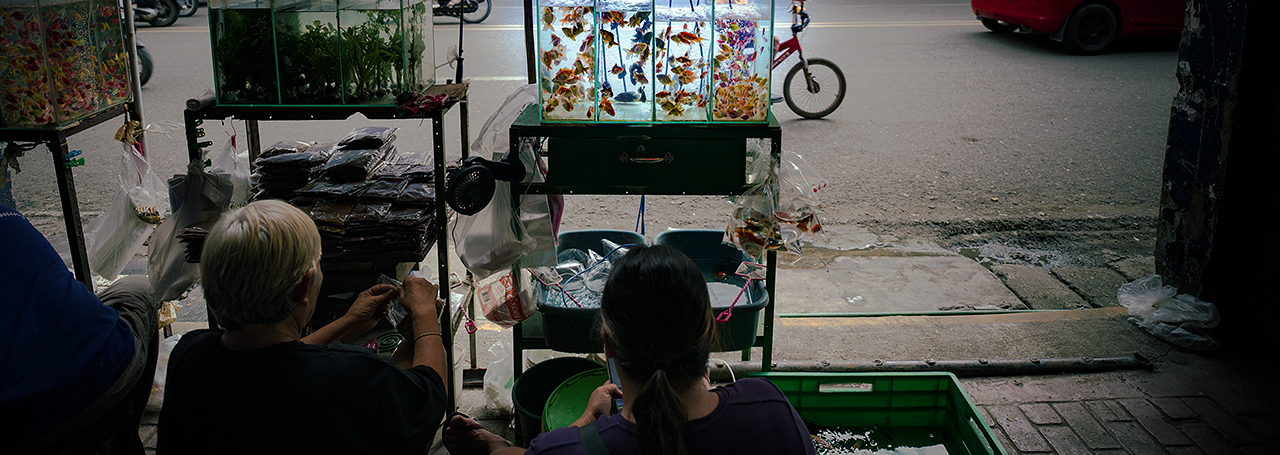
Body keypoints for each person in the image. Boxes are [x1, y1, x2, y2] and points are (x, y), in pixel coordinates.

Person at [442, 245, 815, 455]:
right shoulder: (770, 410)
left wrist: (586, 423)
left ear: (608, 347)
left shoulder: (567, 449)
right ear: (707, 334)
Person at [157, 200, 448, 454]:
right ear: (304, 286)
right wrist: (424, 313)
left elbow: (271, 365)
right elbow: (429, 400)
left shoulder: (189, 354)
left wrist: (348, 323)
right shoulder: (354, 377)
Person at [2, 204, 160, 454]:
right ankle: (123, 434)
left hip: (24, 418)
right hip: (94, 378)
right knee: (141, 288)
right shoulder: (10, 218)